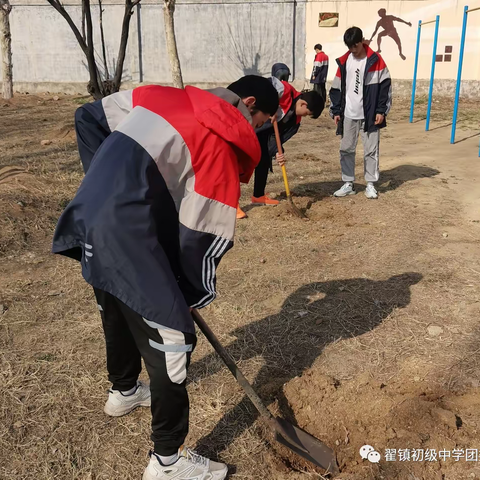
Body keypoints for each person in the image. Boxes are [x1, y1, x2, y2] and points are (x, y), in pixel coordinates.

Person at [52, 76, 279, 480]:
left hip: (91, 217)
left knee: (117, 303)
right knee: (174, 339)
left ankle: (123, 392)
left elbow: (87, 117)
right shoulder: (218, 144)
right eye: (261, 120)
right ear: (247, 104)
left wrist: (102, 184)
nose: (257, 129)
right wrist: (187, 294)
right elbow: (200, 239)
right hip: (125, 234)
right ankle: (168, 464)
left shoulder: (156, 96)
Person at [237, 77, 324, 219]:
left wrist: (278, 152)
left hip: (263, 133)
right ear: (303, 104)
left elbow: (277, 139)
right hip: (248, 126)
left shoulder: (294, 122)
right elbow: (265, 85)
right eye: (307, 113)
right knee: (238, 162)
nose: (305, 116)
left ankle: (258, 195)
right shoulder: (285, 91)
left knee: (264, 159)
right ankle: (231, 203)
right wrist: (271, 106)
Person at [329, 26, 392, 199]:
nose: (352, 50)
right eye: (349, 47)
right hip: (348, 114)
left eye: (355, 46)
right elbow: (336, 88)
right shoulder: (344, 61)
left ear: (361, 41)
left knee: (371, 150)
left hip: (370, 115)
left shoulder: (375, 60)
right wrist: (336, 111)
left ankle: (370, 184)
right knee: (346, 149)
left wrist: (381, 110)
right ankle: (348, 183)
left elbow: (385, 86)